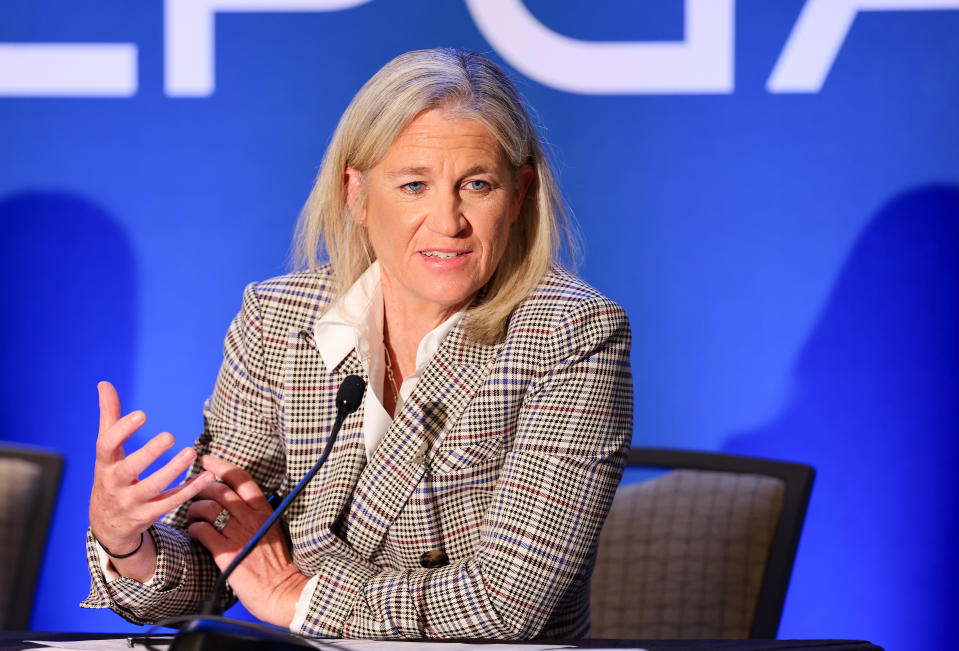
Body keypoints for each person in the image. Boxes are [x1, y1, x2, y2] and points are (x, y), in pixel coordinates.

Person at [83, 48, 633, 640]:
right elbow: (219, 560)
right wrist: (127, 540)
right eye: (414, 184)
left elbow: (502, 605)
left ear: (519, 193)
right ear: (358, 195)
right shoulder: (278, 319)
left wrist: (298, 596)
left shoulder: (571, 333)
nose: (447, 220)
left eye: (477, 185)